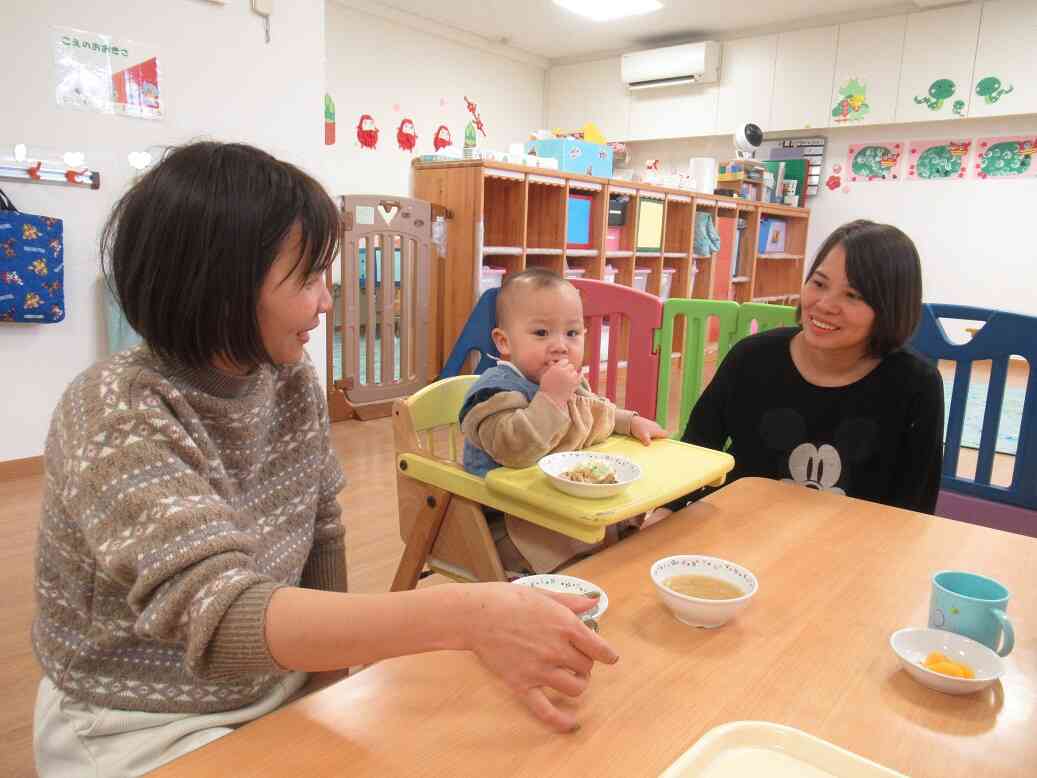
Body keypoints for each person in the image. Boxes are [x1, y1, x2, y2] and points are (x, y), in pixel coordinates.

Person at [32, 142, 618, 778]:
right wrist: (465, 616)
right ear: (220, 285)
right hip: (141, 721)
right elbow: (220, 613)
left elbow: (321, 533)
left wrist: (331, 693)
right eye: (309, 279)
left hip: (273, 685)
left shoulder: (285, 378)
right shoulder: (116, 408)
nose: (327, 302)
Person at [666, 219, 943, 515]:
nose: (824, 304)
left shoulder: (915, 385)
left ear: (891, 306)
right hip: (738, 530)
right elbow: (695, 453)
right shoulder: (752, 357)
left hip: (847, 549)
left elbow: (914, 509)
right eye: (819, 283)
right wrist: (665, 510)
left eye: (853, 295)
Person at [460, 269, 666, 575]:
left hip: (557, 505)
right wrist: (552, 399)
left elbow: (593, 413)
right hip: (508, 518)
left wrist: (630, 422)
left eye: (572, 333)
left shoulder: (568, 383)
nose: (560, 345)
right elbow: (514, 449)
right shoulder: (495, 390)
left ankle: (616, 569)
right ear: (504, 342)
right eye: (542, 333)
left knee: (634, 516)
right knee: (591, 557)